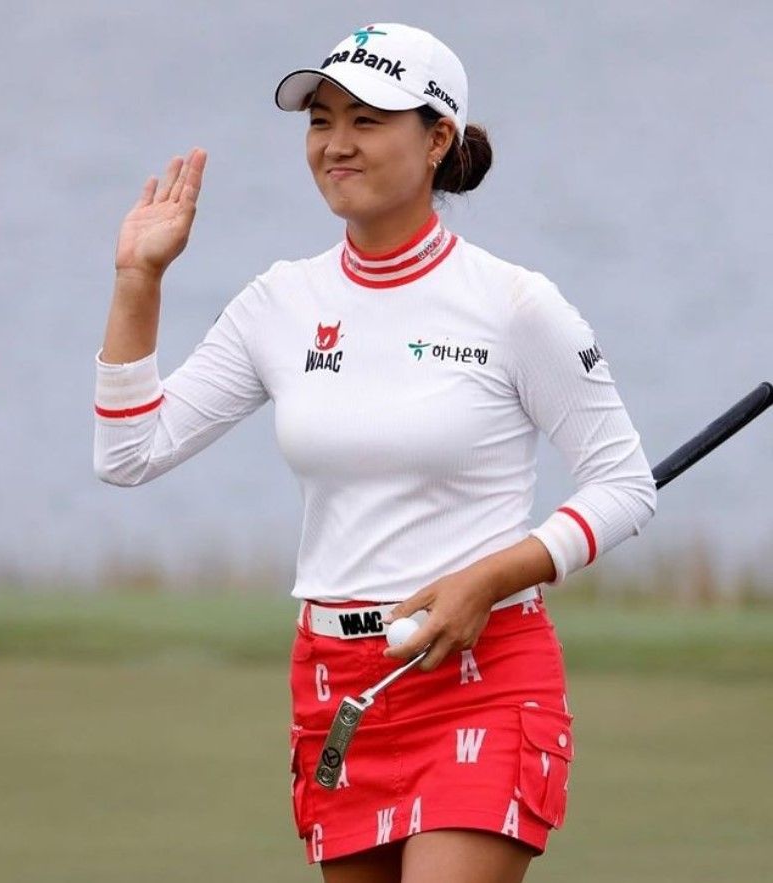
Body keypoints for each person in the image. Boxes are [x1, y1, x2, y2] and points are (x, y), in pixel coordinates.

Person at [94, 22, 657, 883]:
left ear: (437, 140)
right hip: (338, 682)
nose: (337, 144)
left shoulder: (514, 303)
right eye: (321, 121)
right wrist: (139, 280)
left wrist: (490, 577)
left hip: (484, 667)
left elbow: (624, 483)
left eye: (366, 120)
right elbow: (130, 451)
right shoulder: (280, 301)